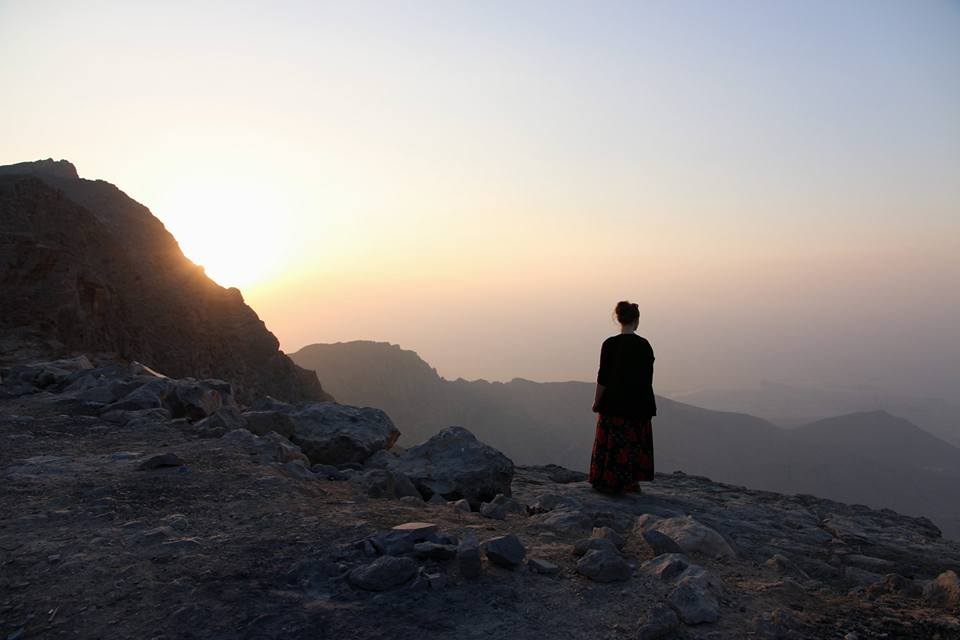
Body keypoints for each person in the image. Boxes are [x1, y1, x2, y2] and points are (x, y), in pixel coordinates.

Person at [589, 300, 657, 495]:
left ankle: (606, 479)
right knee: (633, 442)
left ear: (618, 319)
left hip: (613, 403)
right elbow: (647, 378)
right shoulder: (644, 345)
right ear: (636, 321)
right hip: (638, 404)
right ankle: (631, 481)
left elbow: (603, 377)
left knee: (613, 442)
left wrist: (596, 401)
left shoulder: (610, 344)